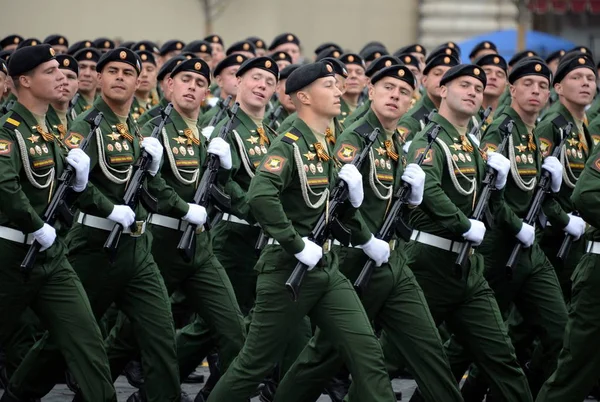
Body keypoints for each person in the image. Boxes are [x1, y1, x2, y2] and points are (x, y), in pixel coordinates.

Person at [206, 60, 397, 402]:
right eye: (329, 85)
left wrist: (354, 203)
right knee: (253, 364)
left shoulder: (324, 143)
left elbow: (326, 207)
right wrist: (294, 243)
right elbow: (260, 196)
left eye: (338, 85)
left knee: (367, 353)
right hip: (287, 268)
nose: (339, 91)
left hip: (325, 267)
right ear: (303, 97)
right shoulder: (291, 143)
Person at [6, 47, 189, 402]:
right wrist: (109, 208)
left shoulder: (133, 125)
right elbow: (67, 183)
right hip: (94, 246)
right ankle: (19, 393)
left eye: (127, 72)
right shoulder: (84, 126)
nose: (120, 77)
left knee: (159, 331)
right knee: (65, 340)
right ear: (101, 79)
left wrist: (151, 172)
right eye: (112, 71)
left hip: (136, 246)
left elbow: (135, 184)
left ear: (139, 82)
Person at [273, 64, 463, 402]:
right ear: (370, 91)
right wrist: (365, 239)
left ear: (411, 103)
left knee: (428, 349)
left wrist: (414, 199)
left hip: (394, 261)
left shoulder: (395, 141)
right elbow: (334, 201)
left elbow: (394, 203)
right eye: (388, 87)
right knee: (325, 356)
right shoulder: (354, 137)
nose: (395, 95)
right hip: (358, 261)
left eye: (404, 92)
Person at [105, 57, 246, 402]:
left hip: (200, 244)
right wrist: (184, 208)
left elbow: (214, 186)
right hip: (162, 241)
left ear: (206, 93)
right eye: (185, 80)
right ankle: (91, 383)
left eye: (200, 84)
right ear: (168, 85)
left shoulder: (203, 134)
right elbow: (148, 184)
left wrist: (224, 170)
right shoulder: (151, 128)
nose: (192, 87)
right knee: (132, 334)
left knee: (233, 329)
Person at [405, 64, 533, 401]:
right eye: (464, 85)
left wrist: (500, 185)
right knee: (394, 355)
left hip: (468, 266)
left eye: (478, 87)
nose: (474, 92)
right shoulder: (430, 137)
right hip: (430, 262)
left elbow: (485, 200)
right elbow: (429, 188)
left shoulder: (472, 143)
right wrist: (462, 225)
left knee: (500, 354)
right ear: (443, 90)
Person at [448, 57, 572, 400]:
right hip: (499, 248)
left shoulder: (535, 133)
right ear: (512, 89)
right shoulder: (501, 128)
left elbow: (536, 192)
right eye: (528, 84)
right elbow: (488, 192)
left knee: (560, 332)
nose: (536, 91)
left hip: (530, 249)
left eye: (543, 86)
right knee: (473, 339)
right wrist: (516, 225)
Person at [0, 43, 116, 402]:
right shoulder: (8, 130)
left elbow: (64, 186)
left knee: (87, 339)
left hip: (51, 255)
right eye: (49, 72)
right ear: (25, 80)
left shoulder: (48, 130)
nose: (61, 77)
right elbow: (4, 184)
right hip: (10, 252)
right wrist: (35, 225)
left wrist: (88, 191)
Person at [536, 51, 596, 300]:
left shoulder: (582, 126)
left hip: (577, 234)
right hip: (554, 235)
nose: (585, 83)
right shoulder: (552, 125)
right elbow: (535, 186)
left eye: (590, 78)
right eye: (577, 77)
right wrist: (563, 220)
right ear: (558, 87)